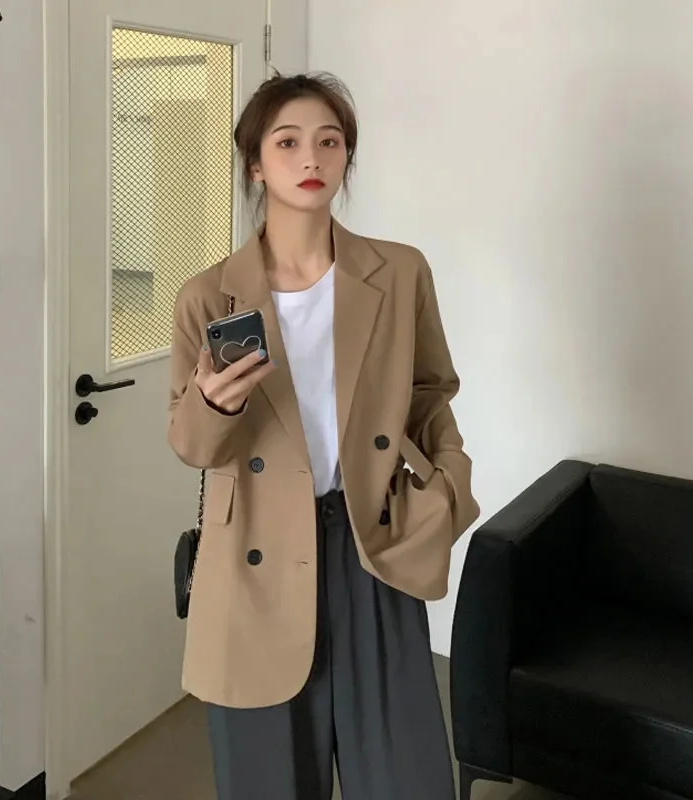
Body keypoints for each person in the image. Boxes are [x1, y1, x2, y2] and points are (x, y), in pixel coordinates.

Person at [168, 71, 480, 800]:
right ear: (255, 164)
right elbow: (192, 446)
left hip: (372, 546)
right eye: (287, 142)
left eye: (329, 142)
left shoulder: (398, 272)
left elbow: (430, 393)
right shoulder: (208, 296)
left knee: (405, 781)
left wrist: (447, 490)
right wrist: (213, 405)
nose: (311, 158)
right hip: (253, 565)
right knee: (270, 783)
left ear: (346, 157)